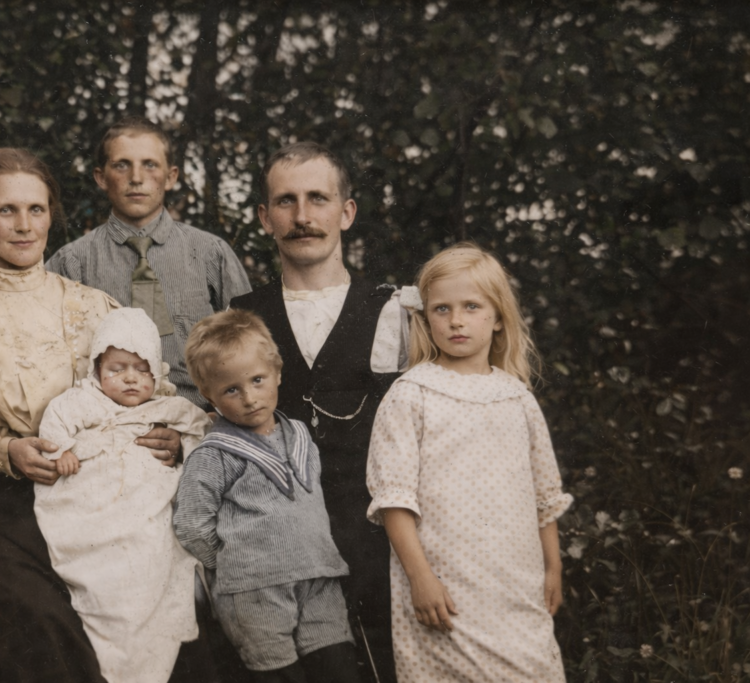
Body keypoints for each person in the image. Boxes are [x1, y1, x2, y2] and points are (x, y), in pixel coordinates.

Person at [0, 148, 182, 683]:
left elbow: (152, 395)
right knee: (41, 618)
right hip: (13, 508)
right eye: (6, 211)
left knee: (161, 604)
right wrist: (7, 452)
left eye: (36, 208)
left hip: (113, 496)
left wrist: (170, 437)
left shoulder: (98, 306)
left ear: (52, 213)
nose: (25, 225)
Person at [229, 141, 412, 681]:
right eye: (286, 202)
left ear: (346, 212)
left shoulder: (397, 310)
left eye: (318, 199)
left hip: (380, 547)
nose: (303, 217)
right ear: (265, 218)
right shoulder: (242, 317)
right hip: (282, 557)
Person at [366, 243, 573, 682]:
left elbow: (544, 497)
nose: (456, 320)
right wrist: (421, 579)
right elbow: (394, 500)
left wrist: (553, 566)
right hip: (444, 588)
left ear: (498, 318)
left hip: (515, 588)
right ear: (425, 317)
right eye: (442, 308)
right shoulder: (411, 394)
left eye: (471, 306)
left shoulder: (518, 397)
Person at [175, 309, 361, 683]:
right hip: (254, 592)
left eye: (258, 380)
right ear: (208, 394)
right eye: (231, 389)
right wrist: (237, 561)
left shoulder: (300, 435)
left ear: (277, 372)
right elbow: (191, 524)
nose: (249, 398)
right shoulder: (216, 453)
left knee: (339, 670)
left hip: (318, 576)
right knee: (279, 677)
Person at [35, 307, 212, 683]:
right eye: (117, 369)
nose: (130, 379)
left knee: (152, 561)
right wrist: (61, 451)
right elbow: (55, 423)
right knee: (102, 575)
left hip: (145, 508)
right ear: (98, 370)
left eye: (141, 369)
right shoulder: (81, 401)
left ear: (157, 373)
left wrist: (184, 444)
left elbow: (204, 433)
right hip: (92, 507)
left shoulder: (169, 407)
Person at [46, 115, 252, 406]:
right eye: (121, 165)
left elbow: (251, 356)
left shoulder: (210, 253)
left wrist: (214, 420)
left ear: (171, 177)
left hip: (201, 426)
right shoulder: (71, 263)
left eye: (150, 165)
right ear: (101, 177)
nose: (136, 178)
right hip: (106, 431)